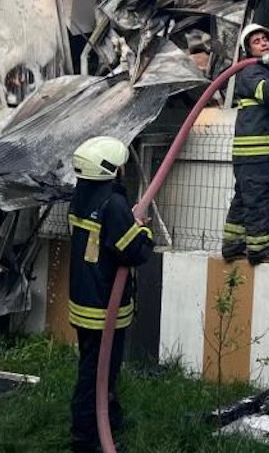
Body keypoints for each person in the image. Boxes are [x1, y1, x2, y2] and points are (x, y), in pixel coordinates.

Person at [67, 136, 154, 453]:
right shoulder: (113, 204)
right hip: (105, 306)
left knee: (96, 369)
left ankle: (109, 419)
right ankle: (87, 438)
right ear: (110, 169)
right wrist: (143, 228)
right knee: (97, 374)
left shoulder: (81, 196)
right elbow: (135, 250)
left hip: (83, 301)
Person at [222, 23, 269, 264]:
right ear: (247, 50)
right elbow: (267, 92)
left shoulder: (265, 71)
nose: (263, 42)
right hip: (255, 154)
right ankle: (260, 250)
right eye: (256, 41)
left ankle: (233, 246)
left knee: (244, 198)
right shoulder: (251, 72)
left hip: (258, 154)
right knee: (259, 200)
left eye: (265, 39)